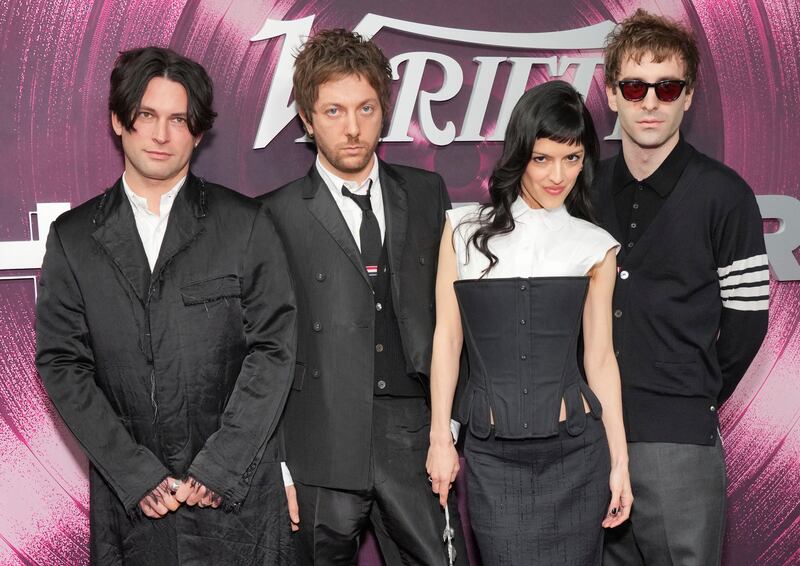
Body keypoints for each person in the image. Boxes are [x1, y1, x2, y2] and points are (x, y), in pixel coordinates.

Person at [35, 47, 297, 565]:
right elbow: (62, 362)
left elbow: (274, 347)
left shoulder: (245, 224)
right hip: (136, 504)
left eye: (179, 119)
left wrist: (219, 467)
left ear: (198, 132)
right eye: (147, 116)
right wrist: (134, 472)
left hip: (235, 495)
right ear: (119, 120)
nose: (161, 135)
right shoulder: (74, 238)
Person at [262, 28, 467, 565]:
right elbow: (262, 345)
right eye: (332, 112)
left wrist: (446, 428)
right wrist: (279, 464)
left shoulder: (427, 194)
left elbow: (452, 318)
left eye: (365, 108)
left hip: (414, 435)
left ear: (385, 110)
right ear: (306, 119)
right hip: (318, 442)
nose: (352, 129)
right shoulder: (272, 214)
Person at [426, 80, 633, 565]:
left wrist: (620, 462)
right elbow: (447, 338)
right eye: (542, 158)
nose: (557, 175)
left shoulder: (594, 244)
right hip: (492, 459)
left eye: (573, 158)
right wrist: (441, 436)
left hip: (578, 456)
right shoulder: (463, 230)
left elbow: (600, 358)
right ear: (520, 153)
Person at [596, 10, 769, 566]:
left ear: (688, 96)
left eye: (667, 87)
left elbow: (747, 320)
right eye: (634, 86)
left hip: (678, 441)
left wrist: (692, 392)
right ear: (611, 93)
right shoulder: (581, 189)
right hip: (585, 439)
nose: (650, 102)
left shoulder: (725, 195)